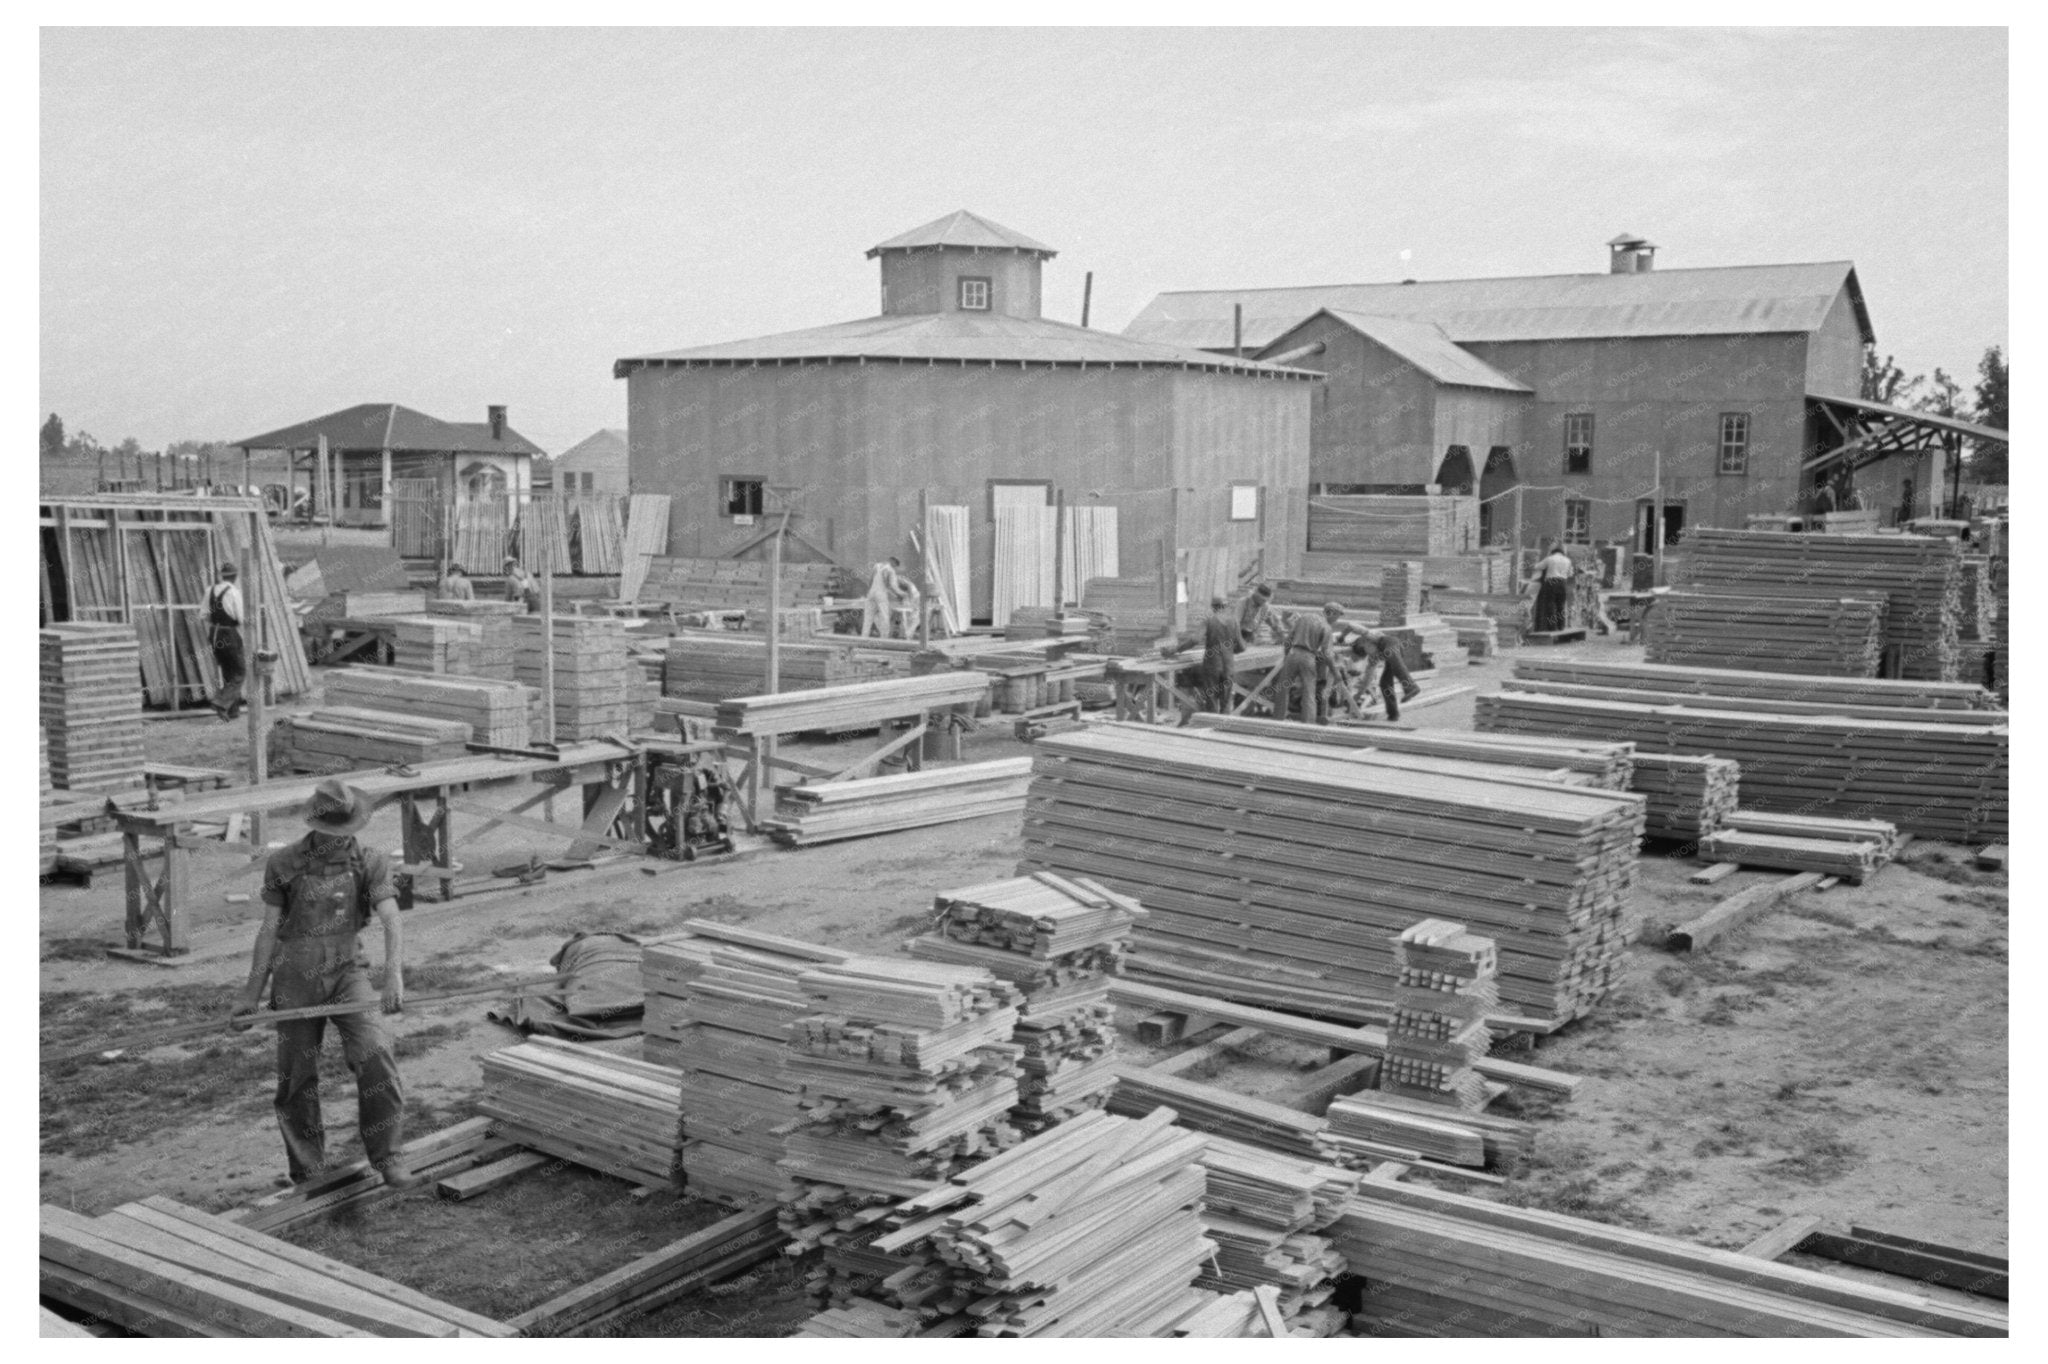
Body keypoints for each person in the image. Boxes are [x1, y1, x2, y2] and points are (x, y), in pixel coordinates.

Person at [231, 779, 416, 1190]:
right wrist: (250, 995)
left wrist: (394, 975)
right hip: (295, 973)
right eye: (333, 833)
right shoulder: (283, 863)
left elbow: (391, 917)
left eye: (345, 834)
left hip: (349, 969)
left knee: (376, 1053)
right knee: (296, 1076)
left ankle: (388, 1157)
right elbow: (267, 931)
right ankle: (308, 1170)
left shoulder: (371, 861)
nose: (338, 841)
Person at [1164, 595, 1244, 717]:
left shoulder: (1209, 620)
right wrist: (1229, 651)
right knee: (1226, 703)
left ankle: (1210, 728)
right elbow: (1241, 647)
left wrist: (1175, 649)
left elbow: (1195, 640)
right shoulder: (1234, 622)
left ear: (1213, 607)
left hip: (1212, 667)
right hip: (1228, 667)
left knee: (1211, 702)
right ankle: (1223, 731)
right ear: (1226, 606)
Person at [1275, 601, 1343, 726]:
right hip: (1308, 657)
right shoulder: (1326, 627)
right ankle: (1308, 725)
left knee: (1282, 689)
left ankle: (1278, 721)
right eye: (1337, 616)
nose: (1336, 620)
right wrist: (1335, 672)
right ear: (1331, 613)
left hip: (1293, 654)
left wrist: (1287, 657)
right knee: (1309, 692)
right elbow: (1327, 654)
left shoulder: (1304, 618)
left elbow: (1288, 640)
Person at [1348, 631, 1424, 721]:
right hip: (1390, 656)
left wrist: (1344, 635)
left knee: (1395, 664)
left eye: (1366, 649)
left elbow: (1356, 627)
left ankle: (1411, 687)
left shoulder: (1370, 637)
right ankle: (1393, 714)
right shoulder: (1373, 658)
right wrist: (1358, 694)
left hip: (1391, 643)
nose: (1369, 654)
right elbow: (1368, 678)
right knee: (1385, 683)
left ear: (1367, 642)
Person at [205, 562, 246, 721]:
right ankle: (220, 702)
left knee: (229, 672)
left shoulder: (209, 591)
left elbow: (203, 615)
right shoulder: (234, 592)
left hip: (214, 634)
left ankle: (232, 712)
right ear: (235, 577)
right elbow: (240, 618)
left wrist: (217, 621)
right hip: (229, 634)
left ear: (222, 576)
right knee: (240, 672)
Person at [861, 556, 916, 639]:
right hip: (881, 595)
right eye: (895, 565)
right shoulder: (890, 570)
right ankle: (884, 639)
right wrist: (904, 595)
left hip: (871, 594)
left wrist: (868, 593)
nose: (895, 567)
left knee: (868, 618)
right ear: (893, 562)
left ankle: (863, 638)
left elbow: (870, 580)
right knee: (885, 617)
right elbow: (894, 587)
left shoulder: (876, 566)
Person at [1528, 542, 1574, 634]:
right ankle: (1561, 626)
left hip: (1551, 583)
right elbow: (1570, 574)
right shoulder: (1567, 560)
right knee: (1560, 604)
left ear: (1552, 552)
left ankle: (1552, 627)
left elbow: (1537, 567)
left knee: (1551, 604)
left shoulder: (1550, 559)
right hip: (1562, 583)